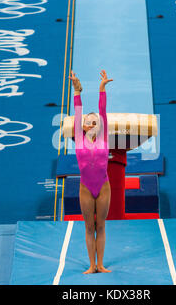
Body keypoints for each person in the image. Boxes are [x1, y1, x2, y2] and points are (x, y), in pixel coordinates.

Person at [69, 70, 113, 274]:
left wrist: (102, 89)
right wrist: (77, 91)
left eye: (95, 121)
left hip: (103, 187)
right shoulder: (78, 137)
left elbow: (102, 110)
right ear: (84, 126)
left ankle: (101, 264)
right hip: (86, 188)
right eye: (88, 121)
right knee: (89, 227)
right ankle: (91, 265)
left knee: (101, 226)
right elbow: (78, 111)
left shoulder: (104, 138)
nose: (91, 123)